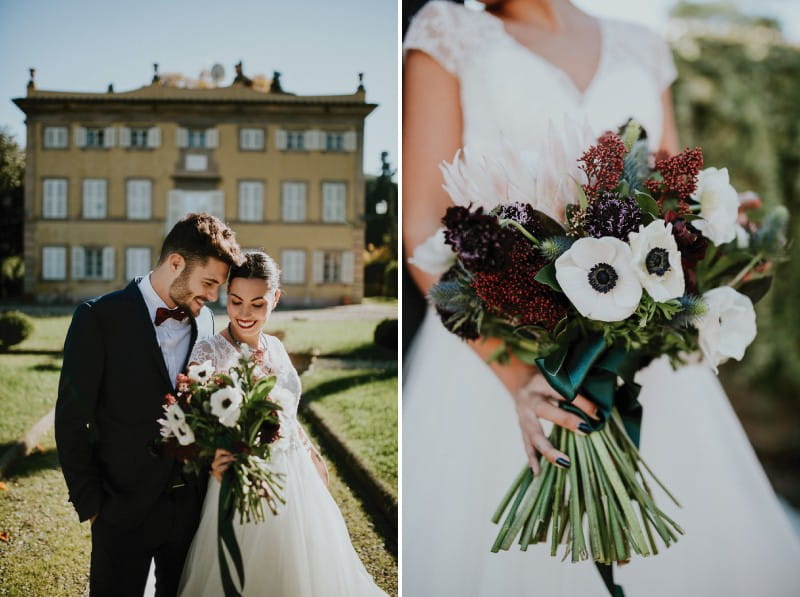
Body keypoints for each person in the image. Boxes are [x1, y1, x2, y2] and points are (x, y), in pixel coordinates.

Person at [402, 1, 800, 595]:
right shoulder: (447, 32)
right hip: (498, 346)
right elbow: (422, 228)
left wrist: (720, 229)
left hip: (641, 347)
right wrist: (521, 381)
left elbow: (672, 186)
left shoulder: (642, 42)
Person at [177, 250, 387, 597]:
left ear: (274, 299)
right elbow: (195, 420)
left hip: (295, 478)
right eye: (236, 301)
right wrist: (211, 453)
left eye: (257, 304)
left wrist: (311, 451)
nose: (245, 313)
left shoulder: (276, 347)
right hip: (240, 482)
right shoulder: (208, 354)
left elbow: (287, 413)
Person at [55, 213, 244, 596]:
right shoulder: (99, 318)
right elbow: (72, 418)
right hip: (121, 509)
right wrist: (91, 503)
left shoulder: (206, 321)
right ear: (176, 262)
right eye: (208, 283)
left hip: (190, 510)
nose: (211, 297)